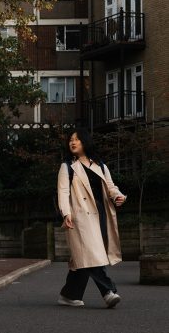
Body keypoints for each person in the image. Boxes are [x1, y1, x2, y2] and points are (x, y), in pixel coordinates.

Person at [57, 128, 126, 308]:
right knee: (91, 253)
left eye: (77, 139)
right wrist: (66, 213)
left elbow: (111, 187)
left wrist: (118, 196)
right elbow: (63, 193)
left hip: (100, 215)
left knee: (85, 257)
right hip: (80, 216)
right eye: (71, 139)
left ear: (85, 142)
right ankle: (108, 291)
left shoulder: (100, 165)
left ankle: (69, 295)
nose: (73, 142)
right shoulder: (67, 167)